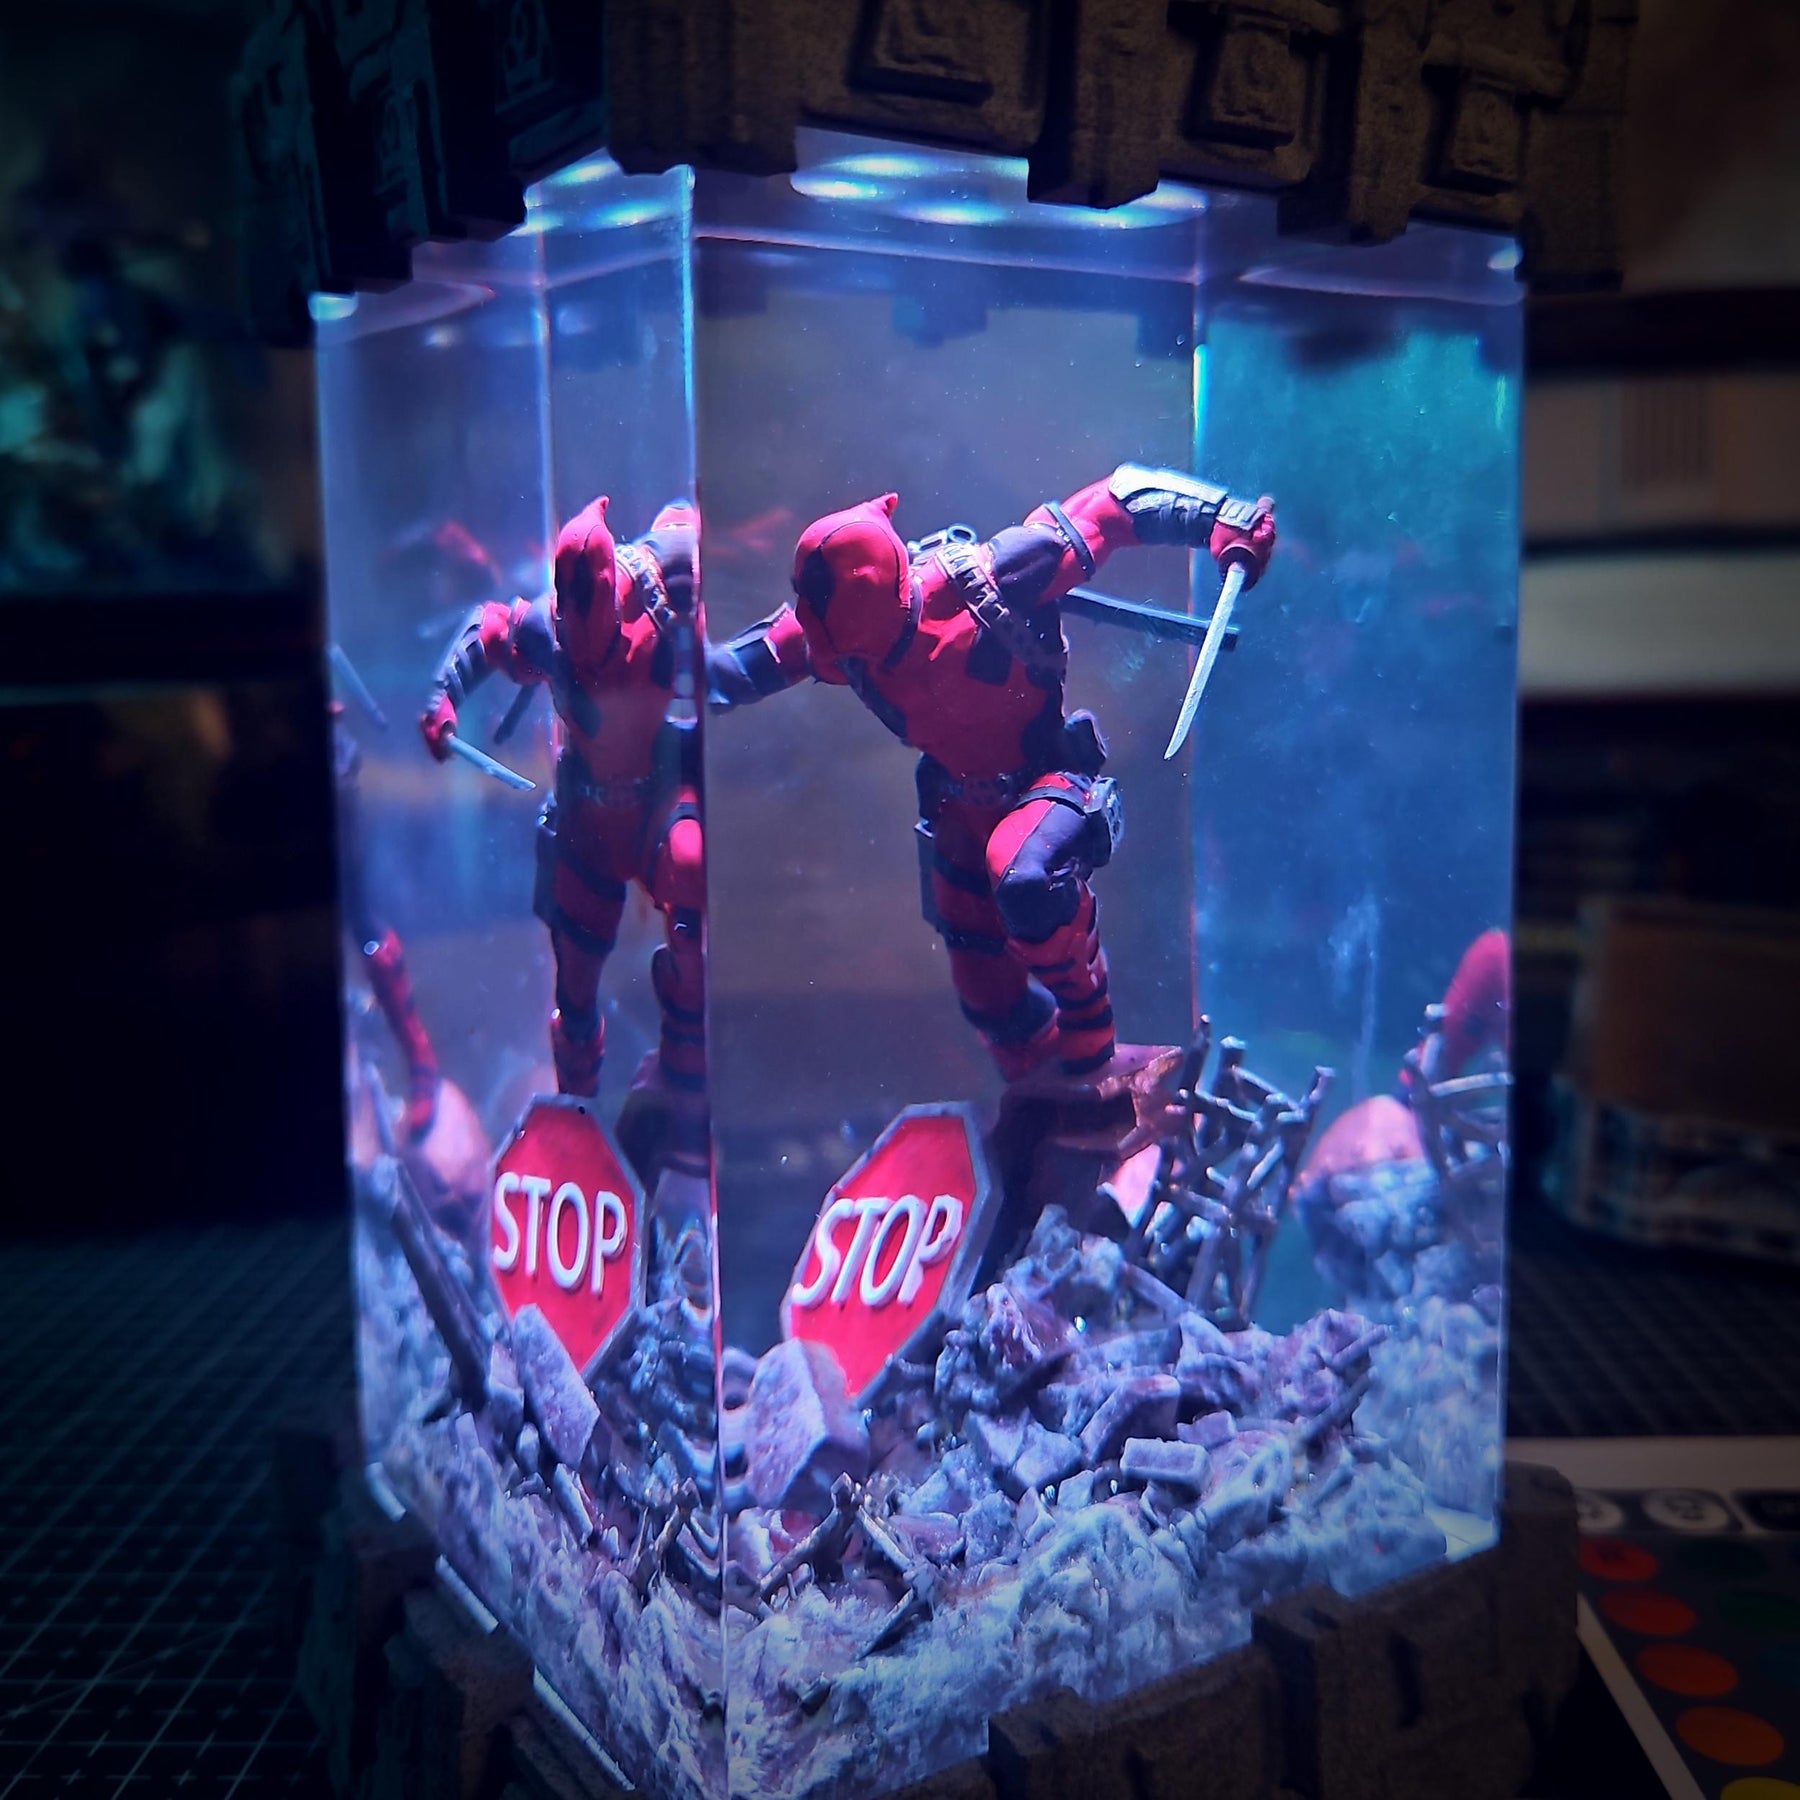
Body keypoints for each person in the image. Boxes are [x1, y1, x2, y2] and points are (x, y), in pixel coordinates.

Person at [709, 467, 1275, 1078]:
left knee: (1025, 880)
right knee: (984, 986)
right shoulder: (833, 634)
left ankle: (1091, 1040)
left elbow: (1110, 506)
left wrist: (1221, 518)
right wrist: (657, 635)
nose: (837, 660)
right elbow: (726, 673)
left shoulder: (991, 581)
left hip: (1043, 783)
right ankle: (1035, 1079)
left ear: (880, 593)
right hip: (957, 808)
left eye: (844, 647)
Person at [420, 497, 705, 1100]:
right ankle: (576, 1103)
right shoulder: (548, 629)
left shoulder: (663, 603)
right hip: (588, 818)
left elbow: (751, 649)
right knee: (575, 981)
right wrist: (443, 696)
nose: (577, 630)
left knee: (690, 897)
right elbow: (489, 631)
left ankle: (682, 1067)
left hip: (656, 801)